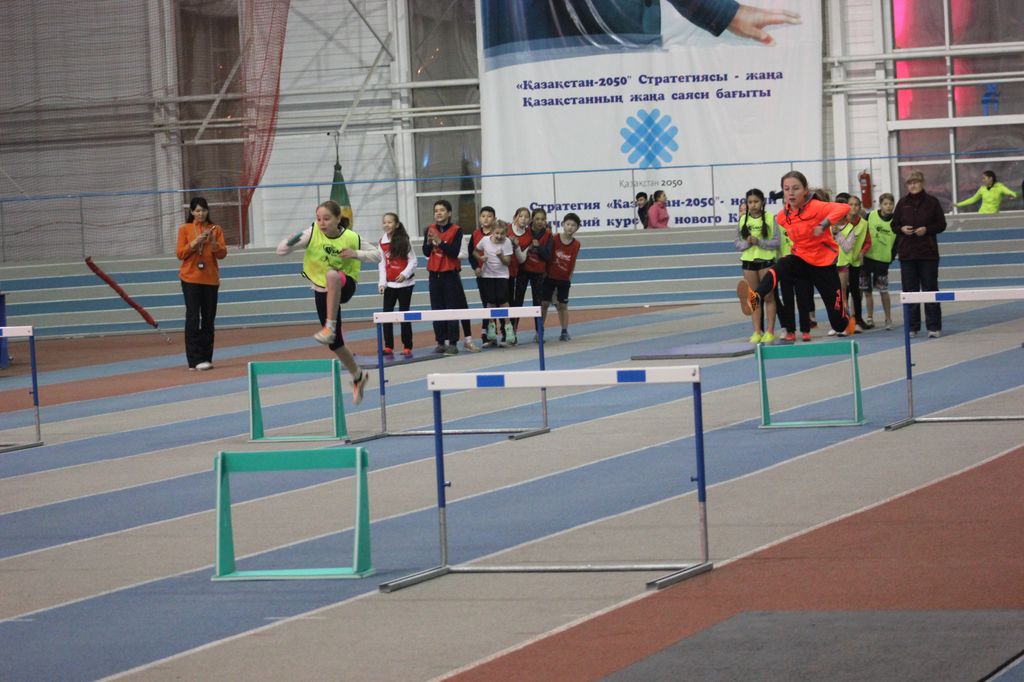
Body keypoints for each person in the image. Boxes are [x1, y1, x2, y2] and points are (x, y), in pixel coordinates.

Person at [736, 171, 857, 337]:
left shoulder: (816, 206)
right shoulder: (782, 217)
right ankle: (755, 298)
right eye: (786, 189)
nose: (791, 193)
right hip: (801, 259)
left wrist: (823, 224)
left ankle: (846, 320)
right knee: (782, 265)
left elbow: (844, 208)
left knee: (838, 323)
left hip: (823, 265)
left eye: (796, 188)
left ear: (805, 190)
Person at [276, 199, 372, 404]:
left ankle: (330, 326)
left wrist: (356, 254)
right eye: (318, 219)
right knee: (335, 345)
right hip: (322, 290)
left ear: (338, 218)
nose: (321, 223)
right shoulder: (311, 233)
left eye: (326, 219)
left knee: (332, 275)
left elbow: (378, 255)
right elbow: (280, 251)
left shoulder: (351, 237)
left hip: (345, 284)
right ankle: (358, 375)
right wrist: (290, 241)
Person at [893, 170, 946, 338]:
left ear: (922, 183)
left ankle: (934, 327)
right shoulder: (902, 203)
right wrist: (901, 229)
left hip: (928, 253)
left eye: (916, 182)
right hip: (907, 254)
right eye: (910, 183)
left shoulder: (932, 202)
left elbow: (941, 224)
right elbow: (894, 225)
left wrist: (927, 229)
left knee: (930, 289)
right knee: (910, 291)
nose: (913, 185)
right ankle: (912, 327)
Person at [176, 197, 226, 371]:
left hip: (210, 280)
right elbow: (180, 254)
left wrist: (213, 242)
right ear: (191, 212)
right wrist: (194, 243)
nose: (201, 213)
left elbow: (222, 254)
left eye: (204, 210)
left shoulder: (215, 229)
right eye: (197, 210)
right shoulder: (184, 229)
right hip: (190, 278)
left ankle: (206, 358)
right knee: (193, 317)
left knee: (208, 318)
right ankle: (194, 360)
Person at [423, 199, 476, 354]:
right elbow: (426, 252)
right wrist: (428, 243)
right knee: (437, 309)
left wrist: (440, 242)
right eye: (436, 211)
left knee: (452, 309)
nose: (438, 213)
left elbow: (453, 253)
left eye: (442, 210)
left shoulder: (456, 230)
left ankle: (453, 343)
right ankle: (440, 342)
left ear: (449, 213)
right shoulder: (430, 229)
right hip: (434, 275)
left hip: (450, 275)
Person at [732, 189, 779, 344]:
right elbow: (736, 243)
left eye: (756, 202)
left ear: (762, 202)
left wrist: (759, 242)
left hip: (766, 261)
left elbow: (776, 242)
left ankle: (770, 331)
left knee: (769, 297)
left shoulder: (770, 218)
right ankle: (757, 332)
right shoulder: (742, 220)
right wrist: (747, 243)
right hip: (748, 262)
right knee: (753, 298)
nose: (753, 205)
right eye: (750, 202)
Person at [377, 212, 416, 357]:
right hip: (390, 285)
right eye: (384, 222)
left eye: (390, 222)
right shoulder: (382, 242)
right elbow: (382, 264)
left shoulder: (404, 241)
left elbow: (413, 260)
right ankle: (388, 346)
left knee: (404, 314)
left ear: (397, 224)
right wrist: (382, 283)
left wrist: (404, 274)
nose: (386, 225)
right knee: (387, 314)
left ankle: (407, 345)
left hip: (406, 285)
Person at [473, 219, 516, 346]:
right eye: (497, 233)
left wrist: (500, 256)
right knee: (490, 301)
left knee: (503, 301)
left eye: (502, 234)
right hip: (487, 275)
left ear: (506, 233)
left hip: (502, 275)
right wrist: (480, 258)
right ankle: (491, 327)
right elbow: (475, 251)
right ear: (492, 231)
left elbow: (507, 262)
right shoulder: (485, 240)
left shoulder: (507, 242)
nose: (499, 236)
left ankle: (508, 328)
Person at [833, 194, 872, 333]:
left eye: (856, 205)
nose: (853, 207)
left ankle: (858, 319)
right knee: (842, 292)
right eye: (851, 204)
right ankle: (843, 321)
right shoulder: (839, 222)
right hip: (841, 261)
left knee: (856, 291)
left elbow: (868, 242)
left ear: (860, 207)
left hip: (855, 262)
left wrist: (862, 252)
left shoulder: (864, 224)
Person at [541, 213, 582, 341]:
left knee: (562, 305)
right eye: (568, 224)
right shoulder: (553, 239)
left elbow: (573, 261)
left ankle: (564, 331)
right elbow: (546, 257)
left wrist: (570, 276)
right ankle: (539, 331)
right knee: (544, 304)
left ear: (577, 228)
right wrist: (544, 274)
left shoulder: (576, 244)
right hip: (549, 277)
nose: (570, 227)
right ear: (562, 224)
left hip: (564, 279)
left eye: (573, 225)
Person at [861, 192, 897, 330]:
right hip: (867, 259)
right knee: (867, 291)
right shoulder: (870, 216)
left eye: (891, 204)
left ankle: (888, 319)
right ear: (880, 205)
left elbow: (897, 243)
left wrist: (891, 257)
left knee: (883, 290)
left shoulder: (896, 221)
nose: (889, 206)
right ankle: (870, 318)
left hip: (882, 261)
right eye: (885, 204)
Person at [520, 207, 554, 341]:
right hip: (523, 271)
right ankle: (513, 333)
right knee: (518, 301)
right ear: (532, 219)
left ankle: (539, 332)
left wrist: (538, 246)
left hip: (539, 273)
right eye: (537, 219)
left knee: (537, 303)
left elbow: (547, 256)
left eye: (543, 219)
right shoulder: (525, 231)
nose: (540, 221)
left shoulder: (548, 235)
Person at [469, 207, 497, 347]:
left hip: (498, 275)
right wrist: (476, 267)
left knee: (498, 303)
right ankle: (487, 334)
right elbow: (471, 253)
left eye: (489, 216)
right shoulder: (475, 234)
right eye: (483, 216)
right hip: (483, 275)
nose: (486, 219)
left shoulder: (498, 233)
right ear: (480, 219)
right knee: (486, 304)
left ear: (494, 219)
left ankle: (503, 333)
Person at [507, 206, 532, 341]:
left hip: (514, 272)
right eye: (520, 216)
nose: (523, 219)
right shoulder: (506, 229)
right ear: (515, 217)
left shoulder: (528, 236)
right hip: (499, 271)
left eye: (526, 217)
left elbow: (522, 259)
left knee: (515, 302)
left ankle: (513, 332)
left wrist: (516, 246)